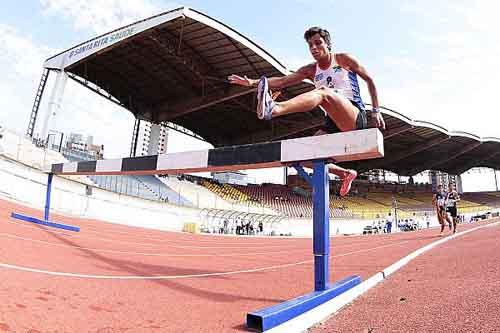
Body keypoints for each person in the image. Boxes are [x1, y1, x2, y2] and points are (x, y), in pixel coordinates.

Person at [228, 27, 385, 196]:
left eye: (318, 43)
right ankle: (344, 173)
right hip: (331, 122)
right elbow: (282, 81)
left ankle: (274, 108)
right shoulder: (310, 70)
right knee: (305, 156)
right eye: (310, 45)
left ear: (328, 45)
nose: (314, 48)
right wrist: (252, 82)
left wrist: (376, 110)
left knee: (324, 92)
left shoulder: (344, 59)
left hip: (353, 116)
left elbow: (370, 80)